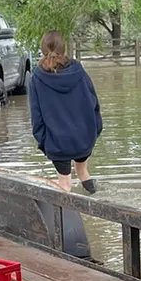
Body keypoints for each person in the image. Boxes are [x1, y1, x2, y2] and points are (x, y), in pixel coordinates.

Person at [28, 30, 102, 194]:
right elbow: (94, 103)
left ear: (42, 51)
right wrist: (95, 131)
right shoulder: (79, 71)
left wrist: (44, 143)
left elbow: (36, 117)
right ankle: (97, 201)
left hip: (57, 143)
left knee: (64, 183)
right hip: (84, 138)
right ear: (64, 50)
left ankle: (65, 218)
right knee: (82, 172)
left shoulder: (36, 79)